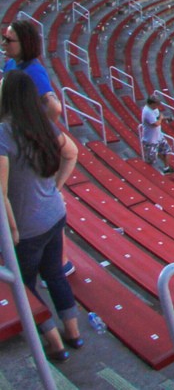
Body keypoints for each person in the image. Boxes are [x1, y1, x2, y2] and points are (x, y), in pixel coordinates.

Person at [0, 71, 82, 363]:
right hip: (54, 213)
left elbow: (2, 190)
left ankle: (55, 342)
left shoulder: (3, 133)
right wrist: (56, 188)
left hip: (27, 226)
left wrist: (11, 229)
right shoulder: (42, 124)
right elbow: (72, 153)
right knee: (55, 274)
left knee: (24, 285)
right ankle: (74, 333)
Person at [3, 19, 60, 123]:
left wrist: (39, 133)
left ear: (25, 43)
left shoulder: (34, 71)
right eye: (4, 38)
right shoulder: (10, 63)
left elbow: (54, 108)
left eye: (9, 40)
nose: (4, 43)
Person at [140, 95, 170, 172]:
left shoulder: (154, 109)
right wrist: (161, 118)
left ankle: (167, 167)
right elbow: (156, 123)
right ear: (152, 104)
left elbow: (158, 116)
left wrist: (164, 118)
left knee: (166, 150)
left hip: (159, 136)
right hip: (151, 139)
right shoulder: (147, 112)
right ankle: (149, 174)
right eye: (156, 104)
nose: (157, 106)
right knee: (151, 159)